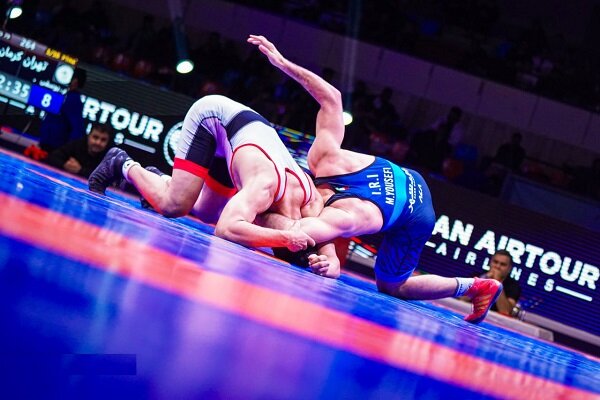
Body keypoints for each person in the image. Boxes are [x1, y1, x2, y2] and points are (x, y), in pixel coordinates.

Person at [248, 34, 502, 323]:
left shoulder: (342, 215)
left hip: (415, 215)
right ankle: (479, 286)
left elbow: (291, 233)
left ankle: (475, 286)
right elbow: (332, 99)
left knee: (393, 285)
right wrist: (282, 63)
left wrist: (249, 216)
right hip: (409, 179)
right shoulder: (325, 161)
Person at [87, 94, 339, 276]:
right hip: (213, 117)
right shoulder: (264, 186)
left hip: (244, 135)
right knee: (175, 206)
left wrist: (328, 265)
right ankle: (121, 163)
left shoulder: (312, 204)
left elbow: (330, 253)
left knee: (206, 212)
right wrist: (283, 237)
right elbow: (225, 229)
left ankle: (160, 181)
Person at [38, 68, 87, 153]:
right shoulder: (67, 96)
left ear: (75, 81)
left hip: (54, 146)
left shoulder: (73, 100)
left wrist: (69, 150)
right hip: (48, 143)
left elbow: (76, 127)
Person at [46, 123, 112, 178]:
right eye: (95, 137)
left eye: (103, 140)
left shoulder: (110, 157)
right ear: (89, 136)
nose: (98, 142)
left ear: (108, 142)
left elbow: (107, 177)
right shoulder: (76, 145)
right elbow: (52, 157)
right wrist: (65, 164)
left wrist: (80, 170)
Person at [479, 250, 521, 315]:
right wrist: (482, 280)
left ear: (509, 268)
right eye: (495, 262)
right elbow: (463, 299)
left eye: (503, 264)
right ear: (490, 263)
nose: (497, 266)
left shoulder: (514, 287)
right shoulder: (478, 276)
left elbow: (505, 311)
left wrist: (497, 282)